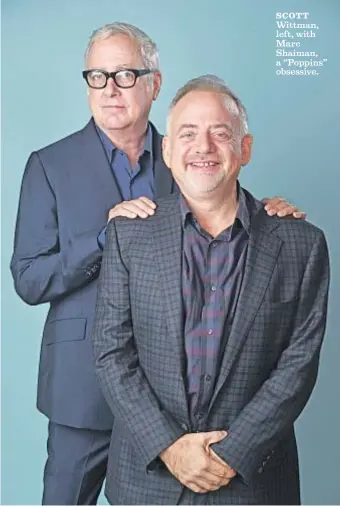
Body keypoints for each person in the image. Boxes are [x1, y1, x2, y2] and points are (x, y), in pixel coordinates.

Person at [11, 23, 305, 505]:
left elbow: (223, 212)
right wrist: (105, 238)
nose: (110, 90)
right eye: (97, 76)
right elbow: (29, 278)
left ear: (155, 83)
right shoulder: (49, 165)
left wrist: (270, 215)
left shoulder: (189, 152)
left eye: (126, 74)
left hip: (174, 397)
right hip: (81, 389)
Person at [92, 74, 330, 505]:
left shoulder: (302, 244)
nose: (203, 147)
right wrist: (169, 447)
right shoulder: (129, 237)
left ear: (245, 149)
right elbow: (112, 352)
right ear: (167, 150)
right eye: (187, 134)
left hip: (251, 484)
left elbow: (298, 365)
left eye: (220, 133)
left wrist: (232, 453)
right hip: (148, 482)